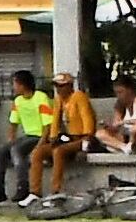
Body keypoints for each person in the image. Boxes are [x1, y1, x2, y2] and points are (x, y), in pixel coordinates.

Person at [27, 72, 97, 200]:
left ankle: (56, 192)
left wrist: (87, 137)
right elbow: (55, 120)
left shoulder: (78, 96)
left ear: (70, 86)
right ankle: (35, 192)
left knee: (58, 152)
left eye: (61, 86)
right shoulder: (59, 99)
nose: (58, 89)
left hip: (82, 138)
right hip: (68, 138)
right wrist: (53, 137)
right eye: (56, 86)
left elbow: (88, 119)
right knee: (38, 152)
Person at [0, 70, 50, 204]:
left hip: (39, 136)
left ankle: (23, 188)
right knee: (0, 150)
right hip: (27, 136)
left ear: (23, 85)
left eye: (15, 84)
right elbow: (13, 123)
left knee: (17, 150)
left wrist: (40, 146)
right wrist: (10, 139)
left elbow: (47, 126)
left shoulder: (41, 98)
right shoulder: (18, 101)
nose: (13, 87)